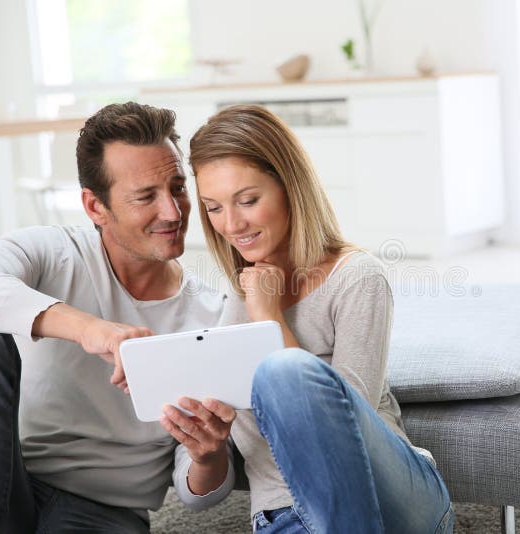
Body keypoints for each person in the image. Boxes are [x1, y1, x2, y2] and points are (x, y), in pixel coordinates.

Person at [0, 102, 232, 533]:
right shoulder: (52, 254)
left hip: (102, 510)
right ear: (95, 207)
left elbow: (198, 494)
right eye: (146, 196)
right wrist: (92, 330)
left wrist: (208, 455)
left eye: (178, 187)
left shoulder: (210, 315)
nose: (173, 211)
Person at [160, 105, 455, 533]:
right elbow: (197, 494)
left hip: (392, 499)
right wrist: (207, 453)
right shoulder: (230, 303)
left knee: (285, 370)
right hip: (285, 516)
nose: (232, 224)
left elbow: (346, 433)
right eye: (213, 207)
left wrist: (267, 315)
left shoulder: (356, 277)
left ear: (289, 187)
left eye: (247, 200)